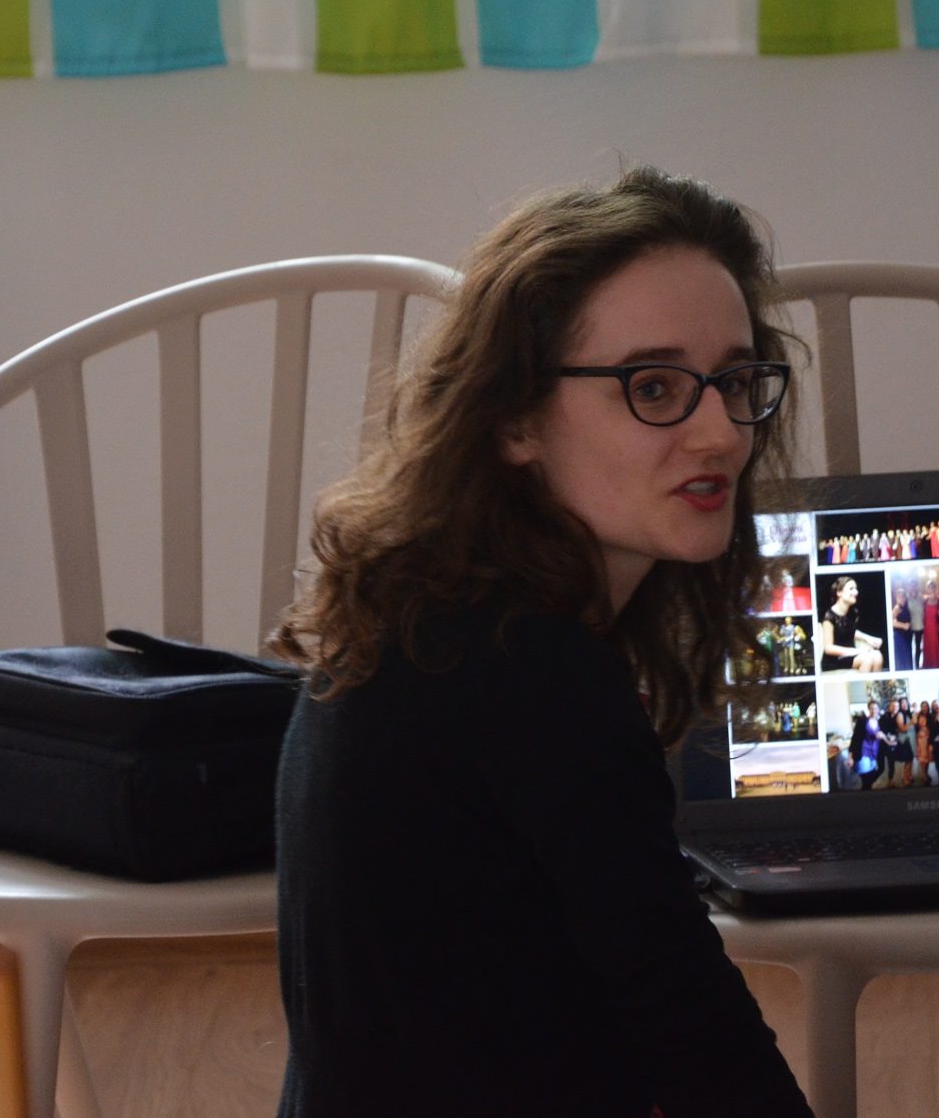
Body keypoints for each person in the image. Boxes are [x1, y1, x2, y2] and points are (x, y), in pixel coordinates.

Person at [267, 166, 812, 1116]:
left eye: (734, 381)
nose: (722, 433)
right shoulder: (531, 674)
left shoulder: (432, 623)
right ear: (516, 418)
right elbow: (700, 1040)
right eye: (653, 387)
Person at [820, 576, 884, 672]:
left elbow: (849, 630)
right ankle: (863, 683)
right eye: (851, 589)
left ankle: (876, 682)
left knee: (877, 655)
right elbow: (828, 648)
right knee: (867, 659)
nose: (856, 592)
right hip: (835, 660)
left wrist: (869, 638)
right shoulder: (829, 616)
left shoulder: (852, 613)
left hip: (850, 655)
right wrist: (856, 651)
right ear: (839, 592)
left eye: (856, 589)